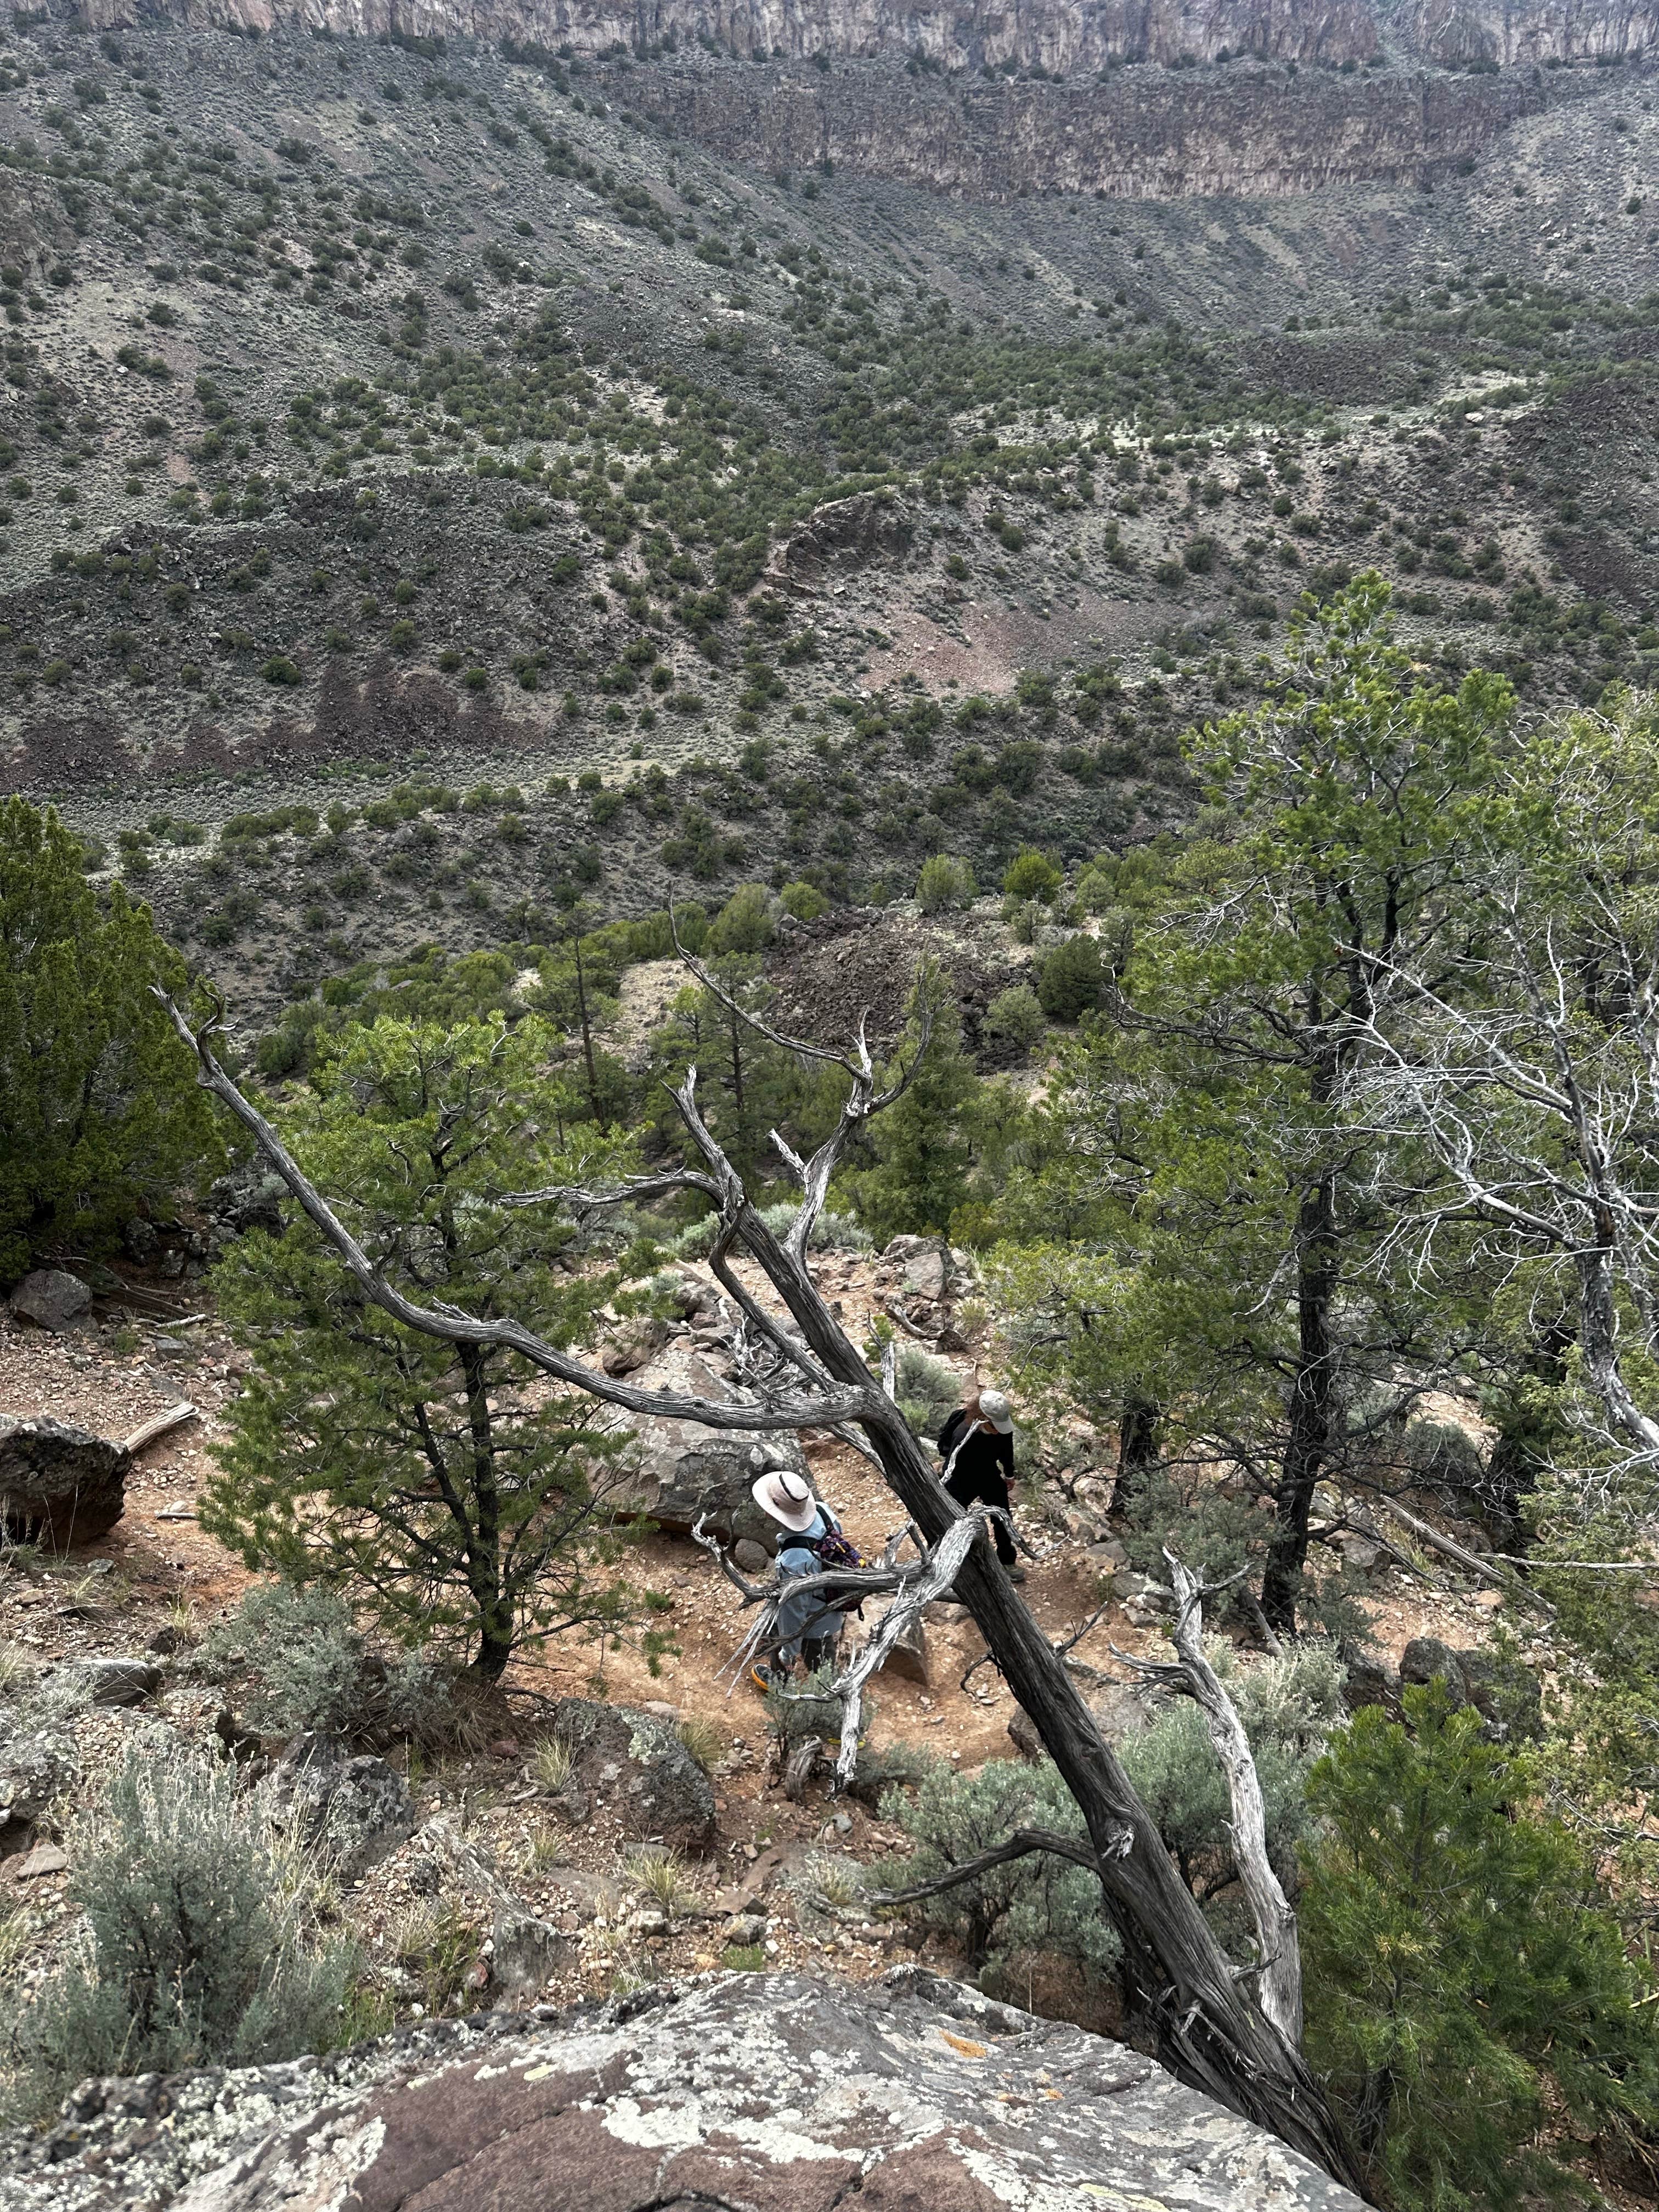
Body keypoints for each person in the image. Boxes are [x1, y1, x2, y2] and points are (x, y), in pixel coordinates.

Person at [748, 1468, 851, 1692]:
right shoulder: (824, 1511)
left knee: (798, 1646)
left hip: (814, 1620)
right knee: (824, 1658)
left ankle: (783, 1684)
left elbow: (794, 1613)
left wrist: (788, 1651)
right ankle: (830, 1694)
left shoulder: (794, 1559)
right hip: (832, 1601)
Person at [937, 1385, 1025, 1582]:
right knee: (954, 1520)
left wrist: (1009, 1474)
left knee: (1002, 1516)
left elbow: (1006, 1450)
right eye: (994, 1427)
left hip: (987, 1473)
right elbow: (952, 1463)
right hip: (961, 1478)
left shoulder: (1002, 1428)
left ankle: (1007, 1560)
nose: (998, 1432)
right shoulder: (962, 1434)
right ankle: (948, 1559)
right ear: (982, 1419)